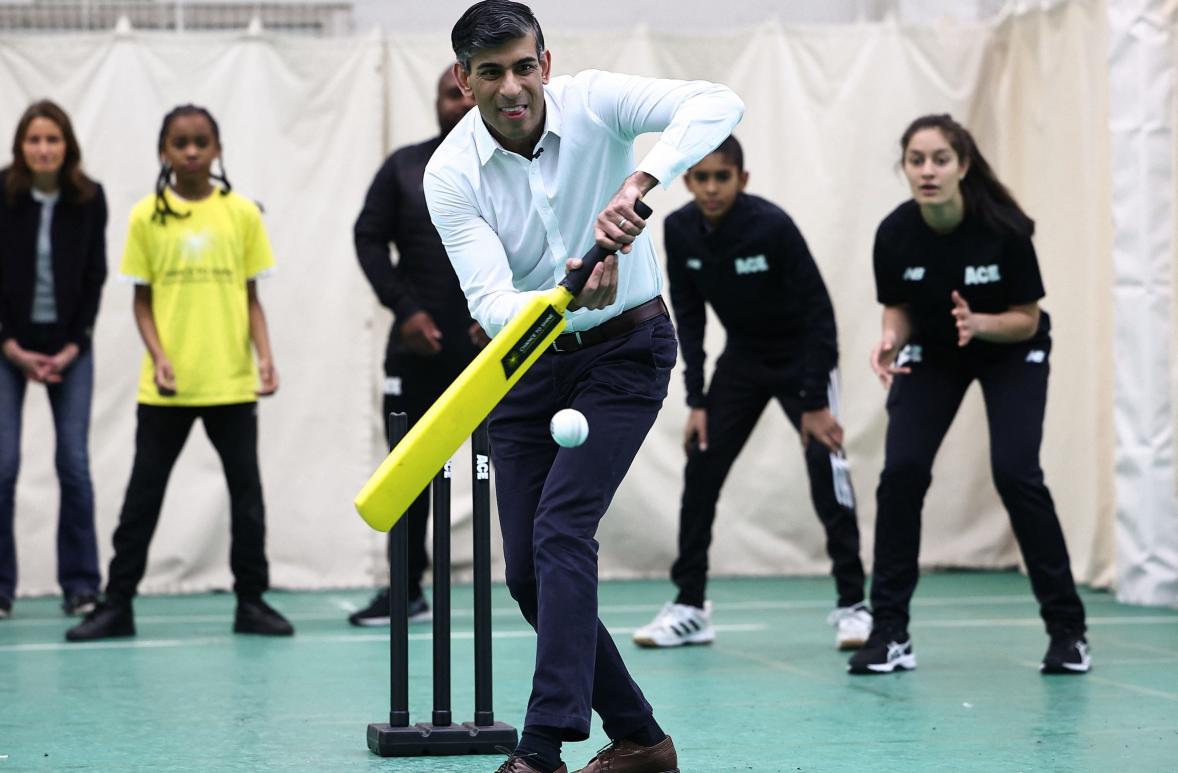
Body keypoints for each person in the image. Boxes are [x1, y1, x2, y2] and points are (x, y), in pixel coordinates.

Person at [424, 3, 743, 771]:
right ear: (465, 81)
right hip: (529, 360)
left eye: (524, 66)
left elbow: (717, 103)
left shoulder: (597, 99)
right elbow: (492, 303)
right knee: (531, 578)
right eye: (491, 72)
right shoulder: (450, 174)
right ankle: (640, 738)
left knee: (562, 528)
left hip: (626, 348)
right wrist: (561, 294)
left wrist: (639, 181)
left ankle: (540, 747)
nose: (512, 86)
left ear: (547, 63)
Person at [850, 114, 1089, 676]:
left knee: (1016, 473)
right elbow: (899, 307)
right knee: (901, 472)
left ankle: (1068, 631)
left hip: (1010, 349)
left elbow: (1028, 320)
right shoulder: (894, 233)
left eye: (939, 159)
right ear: (905, 168)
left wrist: (979, 323)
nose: (927, 171)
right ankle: (889, 633)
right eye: (916, 160)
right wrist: (890, 339)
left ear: (963, 166)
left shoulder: (1004, 228)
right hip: (935, 352)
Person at [632, 136, 870, 652]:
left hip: (803, 359)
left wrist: (815, 403)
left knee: (826, 473)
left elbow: (819, 315)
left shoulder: (772, 226)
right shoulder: (678, 230)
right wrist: (696, 400)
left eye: (723, 177)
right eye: (701, 178)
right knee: (701, 470)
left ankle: (854, 605)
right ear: (688, 182)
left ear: (743, 179)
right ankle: (691, 607)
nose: (712, 187)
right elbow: (689, 319)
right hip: (742, 361)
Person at [66, 105, 292, 642]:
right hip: (166, 388)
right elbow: (141, 303)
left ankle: (252, 602)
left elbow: (251, 297)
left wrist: (265, 356)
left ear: (217, 149)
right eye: (180, 143)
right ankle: (116, 604)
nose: (191, 152)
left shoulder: (241, 214)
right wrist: (159, 355)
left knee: (246, 496)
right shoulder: (147, 216)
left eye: (201, 142)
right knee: (142, 497)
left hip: (230, 382)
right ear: (164, 151)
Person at [348, 65, 483, 627]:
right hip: (416, 351)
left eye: (464, 95)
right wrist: (405, 311)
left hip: (493, 353)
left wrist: (500, 315)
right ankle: (406, 590)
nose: (457, 104)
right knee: (408, 470)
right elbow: (368, 238)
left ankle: (543, 581)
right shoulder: (405, 167)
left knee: (522, 465)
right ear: (436, 103)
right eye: (448, 95)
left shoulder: (509, 167)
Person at [0, 99, 107, 621]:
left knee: (73, 463)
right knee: (3, 464)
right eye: (35, 140)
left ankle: (80, 585)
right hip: (5, 346)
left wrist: (73, 347)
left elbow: (95, 277)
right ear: (20, 147)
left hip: (70, 346)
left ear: (66, 145)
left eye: (53, 139)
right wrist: (11, 347)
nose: (44, 149)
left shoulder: (90, 198)